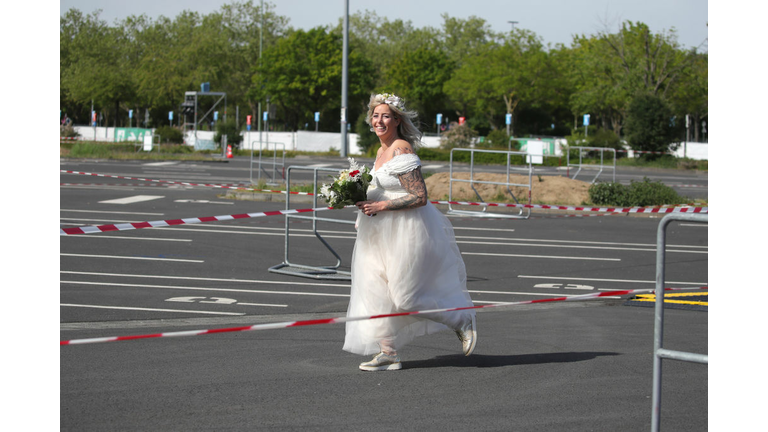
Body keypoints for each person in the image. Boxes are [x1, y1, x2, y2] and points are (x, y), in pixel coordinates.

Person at [343, 93, 477, 371]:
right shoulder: (380, 151)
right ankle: (388, 352)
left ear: (397, 120)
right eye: (376, 115)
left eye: (386, 116)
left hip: (405, 231)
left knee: (406, 297)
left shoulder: (401, 149)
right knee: (374, 292)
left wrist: (381, 204)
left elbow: (419, 196)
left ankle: (460, 319)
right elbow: (381, 187)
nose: (379, 121)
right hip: (375, 232)